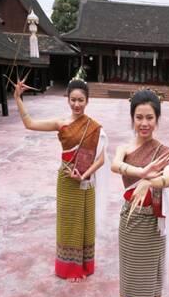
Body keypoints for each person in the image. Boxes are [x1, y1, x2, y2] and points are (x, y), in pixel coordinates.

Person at [14, 76, 108, 283]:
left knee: (85, 222)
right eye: (73, 99)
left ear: (87, 101)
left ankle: (84, 265)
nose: (76, 104)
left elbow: (102, 158)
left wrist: (84, 174)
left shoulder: (95, 127)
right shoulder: (61, 123)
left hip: (85, 180)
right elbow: (29, 123)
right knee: (68, 222)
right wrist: (18, 98)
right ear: (68, 100)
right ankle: (70, 268)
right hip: (66, 180)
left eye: (81, 100)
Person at [111, 89, 169, 297]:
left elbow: (168, 178)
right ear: (132, 118)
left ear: (157, 119)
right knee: (130, 278)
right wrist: (140, 172)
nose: (144, 123)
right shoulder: (124, 148)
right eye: (139, 117)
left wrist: (150, 181)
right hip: (130, 221)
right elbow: (116, 165)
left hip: (152, 223)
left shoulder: (164, 152)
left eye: (150, 117)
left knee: (149, 279)